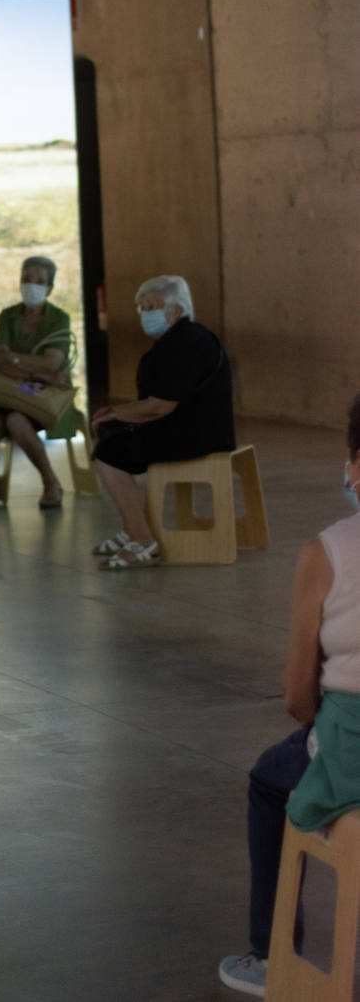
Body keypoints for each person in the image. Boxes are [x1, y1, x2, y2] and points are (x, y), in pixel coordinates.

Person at [218, 392, 360, 997]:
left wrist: (319, 726)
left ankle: (270, 953)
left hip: (353, 751)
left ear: (356, 462)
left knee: (270, 778)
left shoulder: (329, 553)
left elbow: (298, 693)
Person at [91, 275, 235, 569]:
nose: (146, 314)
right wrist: (116, 414)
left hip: (198, 434)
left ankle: (144, 540)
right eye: (142, 307)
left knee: (109, 454)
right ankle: (132, 529)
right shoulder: (177, 340)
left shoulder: (188, 343)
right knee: (110, 434)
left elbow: (160, 406)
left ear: (176, 310)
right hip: (190, 427)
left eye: (152, 306)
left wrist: (117, 413)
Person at [0, 256, 72, 510]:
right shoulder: (8, 316)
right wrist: (33, 367)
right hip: (10, 392)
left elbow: (52, 364)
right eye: (26, 279)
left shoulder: (58, 318)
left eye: (39, 281)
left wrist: (15, 360)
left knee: (16, 422)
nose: (31, 285)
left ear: (49, 288)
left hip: (42, 395)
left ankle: (50, 481)